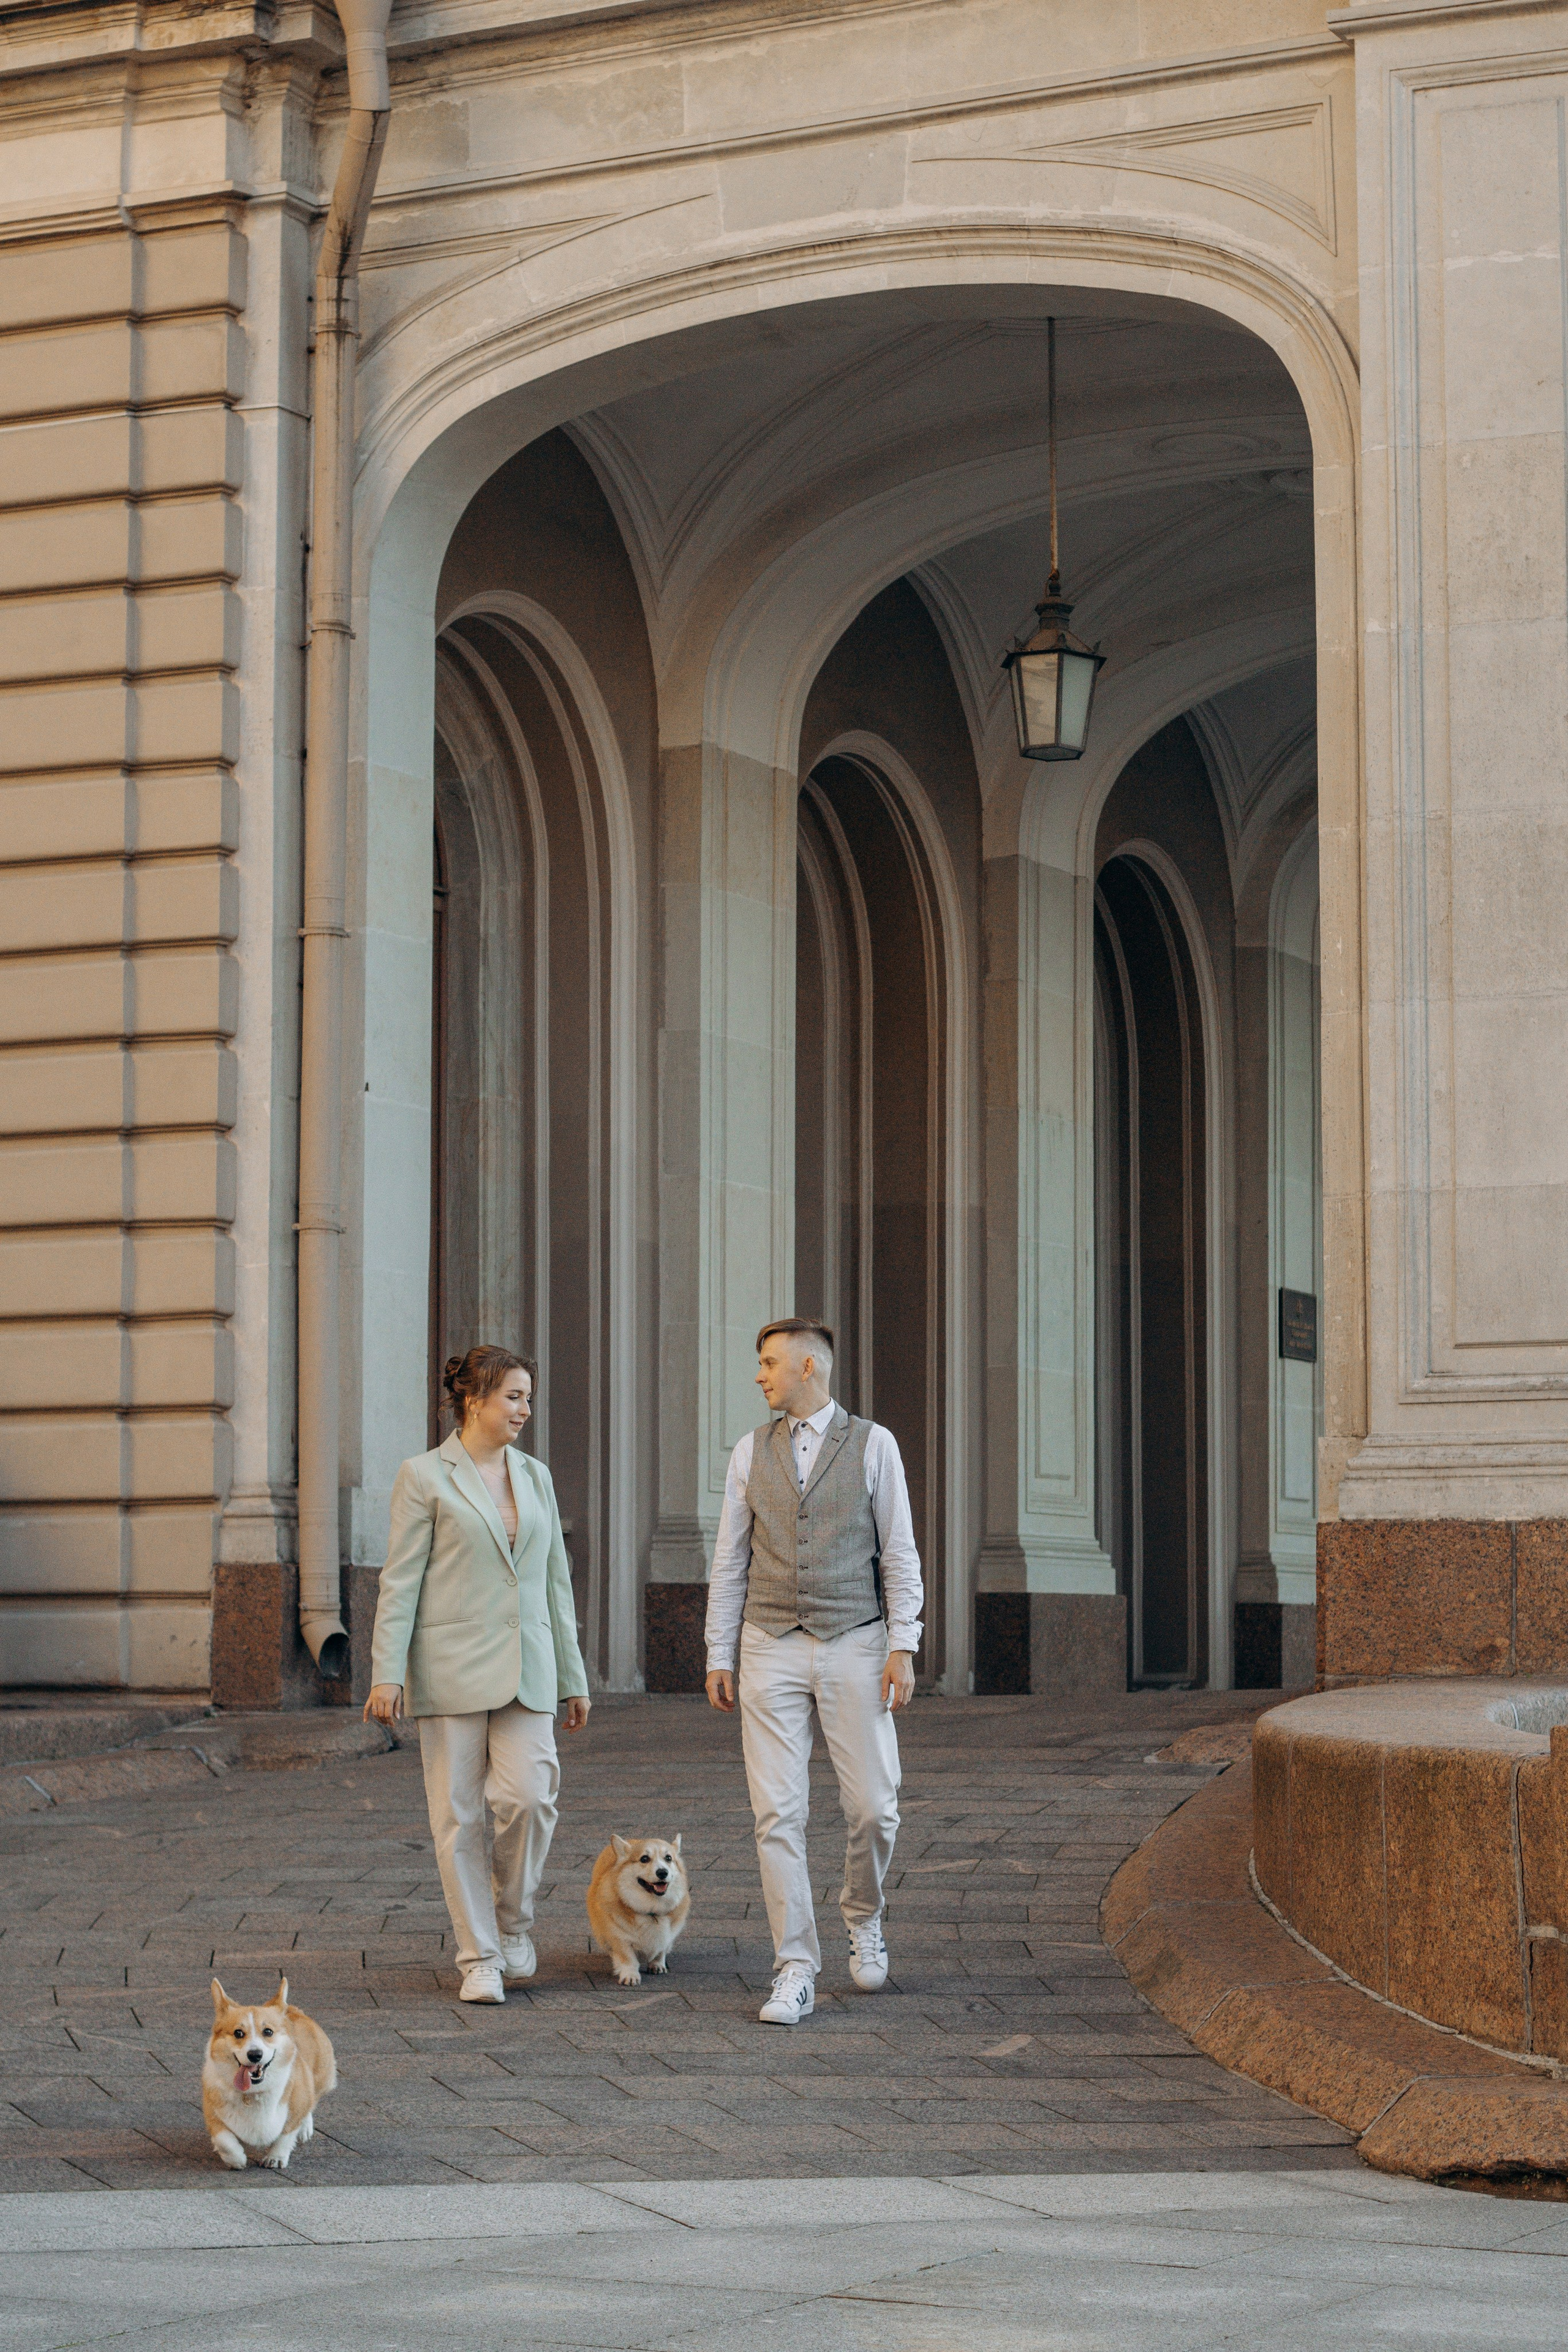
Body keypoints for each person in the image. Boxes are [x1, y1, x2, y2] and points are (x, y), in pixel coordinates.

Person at [705, 1317, 923, 2026]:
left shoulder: (873, 1443)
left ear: (807, 1368)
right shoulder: (749, 1450)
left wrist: (903, 1644)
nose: (760, 1376)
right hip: (767, 1642)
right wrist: (718, 1651)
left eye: (769, 1363)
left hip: (856, 1640)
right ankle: (794, 1965)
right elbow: (729, 1560)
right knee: (777, 1814)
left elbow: (897, 1551)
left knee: (874, 1806)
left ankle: (862, 1913)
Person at [364, 1345, 590, 2003]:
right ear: (474, 1400)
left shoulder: (536, 1476)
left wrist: (572, 1677)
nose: (525, 1409)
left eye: (528, 1398)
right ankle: (479, 1956)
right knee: (459, 1818)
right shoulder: (425, 1476)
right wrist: (387, 1673)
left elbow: (555, 1582)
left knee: (529, 1798)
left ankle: (512, 1920)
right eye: (515, 1396)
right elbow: (400, 1580)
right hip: (450, 1666)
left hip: (531, 1668)